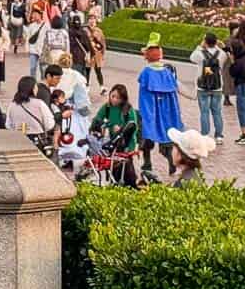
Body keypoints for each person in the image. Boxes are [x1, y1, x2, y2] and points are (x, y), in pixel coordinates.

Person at [135, 35, 182, 173]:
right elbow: (173, 96)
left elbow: (144, 96)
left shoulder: (146, 73)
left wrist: (146, 113)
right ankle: (170, 161)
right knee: (166, 135)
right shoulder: (167, 72)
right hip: (166, 111)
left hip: (151, 109)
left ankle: (147, 162)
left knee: (146, 133)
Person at [93, 85, 141, 186]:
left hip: (127, 142)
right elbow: (97, 119)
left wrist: (121, 129)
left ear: (123, 99)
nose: (114, 99)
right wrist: (102, 126)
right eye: (113, 96)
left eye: (118, 98)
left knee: (126, 166)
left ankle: (130, 185)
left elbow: (133, 127)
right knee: (113, 165)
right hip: (114, 141)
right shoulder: (107, 107)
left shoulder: (128, 109)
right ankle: (115, 183)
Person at [189, 31, 228, 145]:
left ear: (205, 42)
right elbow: (226, 56)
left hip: (203, 87)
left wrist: (200, 46)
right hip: (217, 87)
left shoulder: (199, 54)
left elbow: (191, 57)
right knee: (217, 112)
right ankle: (219, 136)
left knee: (204, 112)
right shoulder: (221, 54)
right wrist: (220, 46)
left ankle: (205, 135)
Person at [9, 75, 56, 150]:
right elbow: (49, 124)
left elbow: (9, 125)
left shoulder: (13, 104)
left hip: (18, 140)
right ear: (33, 89)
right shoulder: (39, 104)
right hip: (36, 140)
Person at [86, 18, 107, 88]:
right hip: (88, 53)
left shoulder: (99, 31)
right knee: (87, 70)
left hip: (97, 54)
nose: (92, 22)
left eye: (93, 20)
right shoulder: (85, 31)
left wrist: (103, 53)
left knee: (98, 70)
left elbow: (103, 43)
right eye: (90, 20)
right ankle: (87, 86)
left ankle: (102, 87)